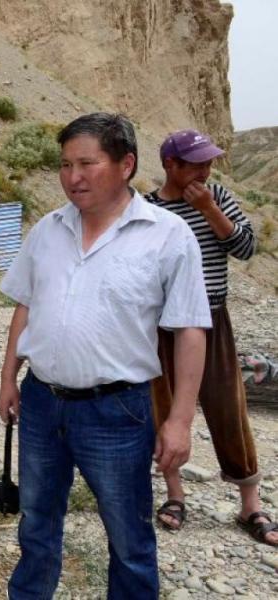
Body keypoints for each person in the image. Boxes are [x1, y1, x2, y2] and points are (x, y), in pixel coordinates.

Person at [0, 113, 211, 599]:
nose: (73, 177)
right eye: (65, 165)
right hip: (41, 403)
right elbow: (25, 305)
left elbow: (190, 330)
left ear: (125, 164)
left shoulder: (168, 235)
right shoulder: (48, 229)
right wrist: (9, 378)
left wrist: (180, 421)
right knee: (36, 524)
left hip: (117, 411)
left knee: (129, 537)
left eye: (87, 163)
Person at [147, 129, 275, 545]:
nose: (206, 170)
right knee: (164, 407)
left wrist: (209, 210)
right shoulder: (148, 208)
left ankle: (250, 504)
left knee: (227, 406)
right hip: (163, 324)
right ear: (171, 165)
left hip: (212, 318)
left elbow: (246, 248)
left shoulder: (216, 195)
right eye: (196, 164)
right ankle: (175, 495)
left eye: (208, 162)